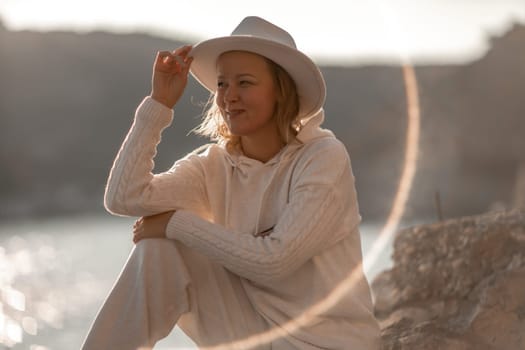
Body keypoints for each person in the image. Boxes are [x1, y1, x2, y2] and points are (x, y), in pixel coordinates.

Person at [81, 16, 381, 350]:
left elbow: (275, 262)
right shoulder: (215, 164)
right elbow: (123, 197)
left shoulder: (323, 157)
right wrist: (159, 105)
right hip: (254, 333)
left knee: (169, 238)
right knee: (158, 251)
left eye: (245, 83)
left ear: (281, 92)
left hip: (326, 342)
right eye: (223, 84)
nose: (229, 97)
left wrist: (175, 223)